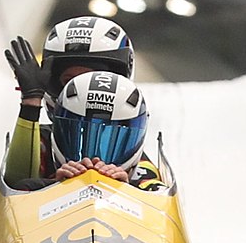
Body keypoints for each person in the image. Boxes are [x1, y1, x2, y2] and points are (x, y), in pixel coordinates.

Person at [3, 16, 135, 187]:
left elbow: (155, 191)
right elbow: (15, 188)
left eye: (90, 78)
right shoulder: (42, 141)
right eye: (70, 80)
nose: (82, 89)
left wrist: (126, 187)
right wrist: (31, 101)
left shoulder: (132, 146)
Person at [29, 70, 165, 191]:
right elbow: (17, 187)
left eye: (111, 140)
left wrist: (127, 190)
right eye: (80, 135)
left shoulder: (146, 173)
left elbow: (158, 196)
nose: (94, 162)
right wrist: (53, 186)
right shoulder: (41, 143)